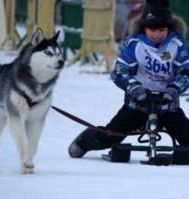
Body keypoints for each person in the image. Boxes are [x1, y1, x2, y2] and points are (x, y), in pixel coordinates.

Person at [68, 0, 189, 158]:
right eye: (152, 30)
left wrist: (175, 88)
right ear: (144, 28)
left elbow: (185, 72)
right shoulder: (134, 43)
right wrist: (133, 86)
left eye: (161, 30)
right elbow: (120, 70)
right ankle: (83, 142)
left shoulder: (177, 44)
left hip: (167, 105)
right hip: (138, 104)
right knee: (110, 135)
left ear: (168, 29)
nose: (157, 34)